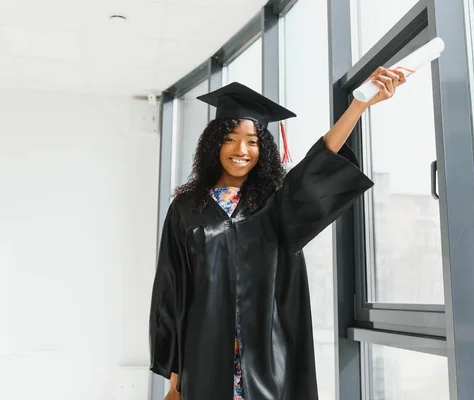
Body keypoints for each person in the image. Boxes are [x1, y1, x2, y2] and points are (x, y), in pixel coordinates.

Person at [149, 67, 406, 400]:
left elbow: (318, 165)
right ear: (214, 144)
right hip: (204, 357)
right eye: (229, 138)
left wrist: (356, 106)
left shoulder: (275, 206)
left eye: (252, 141)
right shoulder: (186, 208)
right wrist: (174, 382)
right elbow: (172, 292)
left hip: (269, 360)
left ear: (264, 150)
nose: (240, 149)